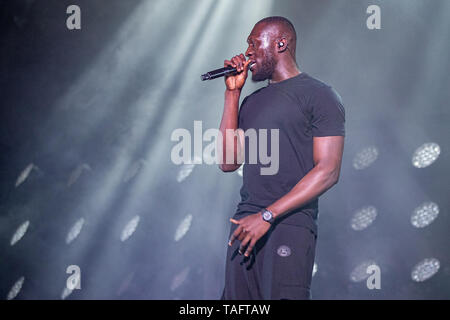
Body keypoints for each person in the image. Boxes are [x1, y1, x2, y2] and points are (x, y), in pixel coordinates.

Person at [218, 16, 345, 300]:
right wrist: (232, 94)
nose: (247, 51)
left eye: (254, 43)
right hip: (245, 222)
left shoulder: (319, 95)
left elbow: (328, 170)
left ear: (281, 43)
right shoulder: (251, 102)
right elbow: (228, 162)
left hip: (287, 222)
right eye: (247, 44)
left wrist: (267, 215)